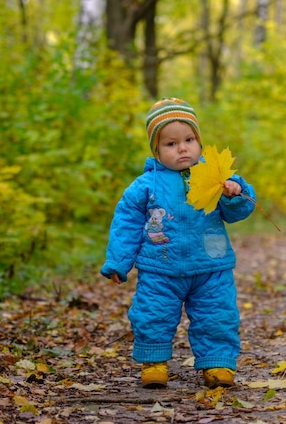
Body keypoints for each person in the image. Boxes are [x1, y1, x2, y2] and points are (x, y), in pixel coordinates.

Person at [100, 98, 256, 389]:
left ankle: (218, 364)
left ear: (199, 141)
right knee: (152, 314)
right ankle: (154, 362)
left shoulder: (217, 178)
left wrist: (234, 193)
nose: (182, 148)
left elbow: (239, 213)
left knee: (217, 315)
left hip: (211, 265)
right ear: (156, 151)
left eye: (188, 139)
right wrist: (119, 262)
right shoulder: (145, 185)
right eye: (170, 144)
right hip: (160, 266)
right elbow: (127, 224)